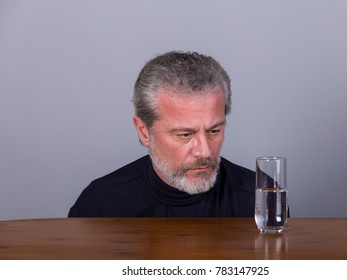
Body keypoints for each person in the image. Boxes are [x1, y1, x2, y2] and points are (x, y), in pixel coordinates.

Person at [68, 51, 255, 217]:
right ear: (144, 132)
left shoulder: (258, 200)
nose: (205, 152)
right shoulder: (99, 205)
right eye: (185, 135)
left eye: (214, 131)